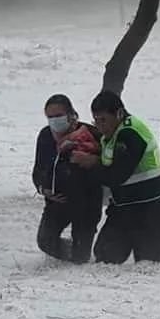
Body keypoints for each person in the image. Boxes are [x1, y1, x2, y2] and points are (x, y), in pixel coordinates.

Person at [70, 90, 160, 264]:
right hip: (124, 209)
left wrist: (92, 163)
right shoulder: (111, 135)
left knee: (149, 264)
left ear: (119, 114)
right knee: (104, 256)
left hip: (151, 211)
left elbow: (116, 176)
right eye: (96, 120)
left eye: (103, 120)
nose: (100, 126)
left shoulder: (130, 134)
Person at [32, 94, 104, 264]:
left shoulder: (92, 134)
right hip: (58, 201)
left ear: (71, 114)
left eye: (58, 116)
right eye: (50, 117)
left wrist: (93, 161)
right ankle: (70, 253)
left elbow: (109, 166)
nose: (54, 121)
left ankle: (80, 252)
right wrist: (43, 189)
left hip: (87, 203)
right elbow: (38, 170)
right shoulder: (46, 136)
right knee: (45, 241)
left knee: (81, 256)